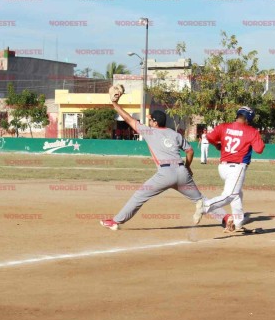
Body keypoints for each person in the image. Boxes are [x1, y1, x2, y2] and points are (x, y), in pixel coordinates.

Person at [100, 99, 220, 230]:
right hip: (182, 172)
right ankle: (226, 218)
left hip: (165, 174)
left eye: (151, 120)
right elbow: (190, 151)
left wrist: (115, 104)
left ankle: (115, 221)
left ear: (155, 123)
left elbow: (128, 119)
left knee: (139, 196)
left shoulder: (149, 132)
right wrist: (187, 167)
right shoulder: (175, 134)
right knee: (201, 199)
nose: (149, 122)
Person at [192, 106, 265, 232]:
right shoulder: (251, 131)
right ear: (248, 119)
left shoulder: (224, 126)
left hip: (223, 167)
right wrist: (256, 136)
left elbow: (209, 137)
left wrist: (217, 145)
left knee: (237, 195)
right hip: (237, 167)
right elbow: (259, 149)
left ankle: (238, 222)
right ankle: (205, 206)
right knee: (230, 195)